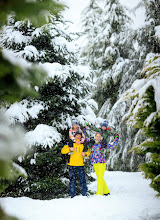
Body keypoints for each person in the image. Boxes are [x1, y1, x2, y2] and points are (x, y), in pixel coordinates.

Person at [61, 130, 90, 198]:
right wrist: (69, 149)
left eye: (80, 135)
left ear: (81, 136)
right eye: (77, 135)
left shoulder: (83, 144)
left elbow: (88, 152)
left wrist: (85, 154)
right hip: (72, 164)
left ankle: (84, 194)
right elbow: (62, 151)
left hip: (80, 165)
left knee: (82, 180)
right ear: (74, 136)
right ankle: (72, 195)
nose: (78, 136)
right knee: (72, 180)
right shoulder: (71, 143)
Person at [89, 132, 119, 196]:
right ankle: (106, 191)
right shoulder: (93, 144)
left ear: (101, 138)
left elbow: (113, 146)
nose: (98, 138)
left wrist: (116, 138)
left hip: (101, 163)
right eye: (97, 136)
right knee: (100, 178)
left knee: (100, 178)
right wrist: (84, 129)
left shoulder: (103, 144)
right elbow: (84, 138)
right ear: (95, 137)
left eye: (99, 136)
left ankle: (99, 194)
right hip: (95, 163)